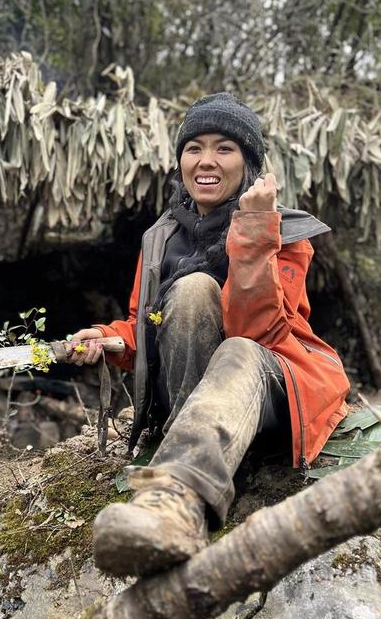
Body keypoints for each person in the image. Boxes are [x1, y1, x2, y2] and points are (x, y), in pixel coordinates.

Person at [65, 92, 350, 578]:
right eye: (194, 147)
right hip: (189, 403)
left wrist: (256, 228)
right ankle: (180, 482)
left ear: (251, 163)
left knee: (223, 326)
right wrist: (111, 338)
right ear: (180, 161)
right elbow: (146, 322)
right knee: (190, 291)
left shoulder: (286, 232)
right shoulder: (160, 238)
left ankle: (178, 501)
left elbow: (259, 331)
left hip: (265, 383)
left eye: (225, 148)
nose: (206, 161)